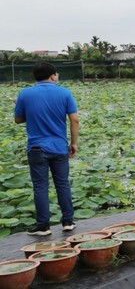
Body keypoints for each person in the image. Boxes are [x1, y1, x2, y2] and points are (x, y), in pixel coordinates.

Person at [14, 62, 78, 236]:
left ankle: (43, 226)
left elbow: (18, 120)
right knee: (63, 184)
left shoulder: (25, 93)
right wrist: (73, 143)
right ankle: (68, 222)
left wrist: (34, 112)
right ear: (52, 76)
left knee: (40, 186)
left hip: (36, 148)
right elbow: (74, 120)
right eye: (56, 74)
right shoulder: (65, 93)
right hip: (59, 147)